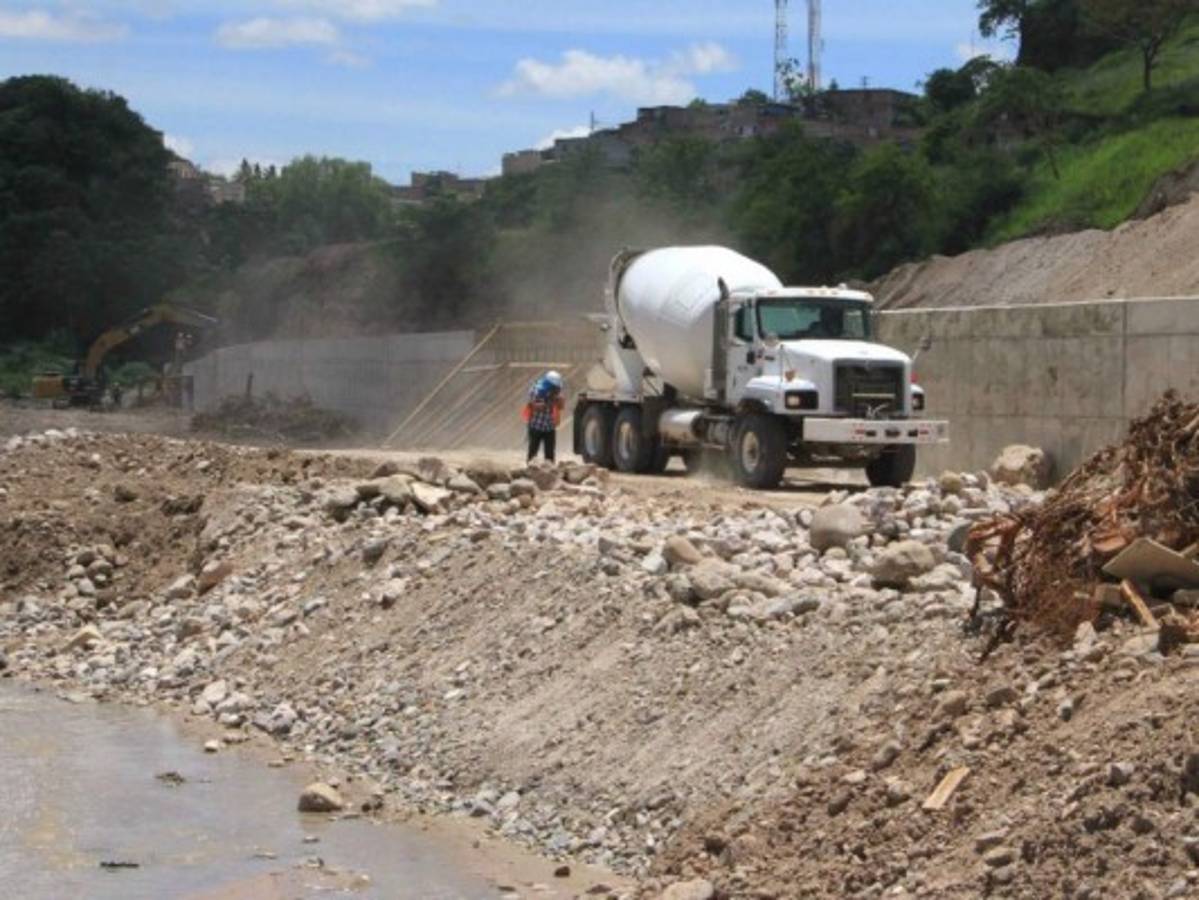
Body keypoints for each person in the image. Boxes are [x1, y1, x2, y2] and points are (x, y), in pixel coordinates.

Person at [523, 370, 565, 462]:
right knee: (533, 453)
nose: (557, 390)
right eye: (555, 388)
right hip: (536, 426)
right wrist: (548, 402)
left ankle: (550, 472)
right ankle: (530, 470)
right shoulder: (536, 389)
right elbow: (534, 406)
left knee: (550, 455)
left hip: (549, 427)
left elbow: (561, 406)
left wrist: (559, 400)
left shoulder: (556, 393)